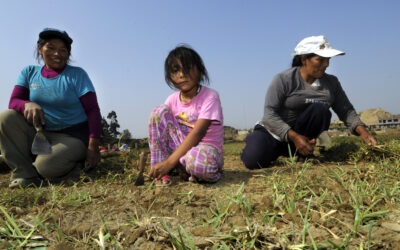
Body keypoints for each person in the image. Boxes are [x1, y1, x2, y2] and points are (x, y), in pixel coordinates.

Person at [241, 35, 376, 169]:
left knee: (320, 110)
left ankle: (303, 153)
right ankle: (258, 143)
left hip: (301, 139)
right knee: (253, 161)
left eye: (328, 60)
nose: (326, 64)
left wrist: (364, 132)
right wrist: (293, 137)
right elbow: (269, 115)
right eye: (320, 60)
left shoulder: (331, 83)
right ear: (304, 59)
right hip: (273, 133)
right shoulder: (284, 79)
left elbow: (346, 111)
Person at [0, 28, 102, 187]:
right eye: (51, 48)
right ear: (40, 49)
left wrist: (93, 147)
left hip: (72, 137)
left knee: (46, 167)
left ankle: (73, 167)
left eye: (63, 50)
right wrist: (27, 103)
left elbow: (93, 110)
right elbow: (14, 101)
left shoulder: (77, 75)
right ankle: (25, 175)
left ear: (68, 54)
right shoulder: (29, 73)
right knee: (6, 118)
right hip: (40, 133)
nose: (57, 54)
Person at [148, 45, 224, 186]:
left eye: (187, 68)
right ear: (170, 78)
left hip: (206, 150)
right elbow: (164, 130)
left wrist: (170, 162)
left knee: (196, 161)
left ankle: (197, 170)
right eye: (175, 70)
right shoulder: (171, 100)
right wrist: (166, 163)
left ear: (200, 72)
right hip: (181, 151)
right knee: (159, 112)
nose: (182, 74)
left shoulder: (210, 96)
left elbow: (198, 133)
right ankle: (162, 170)